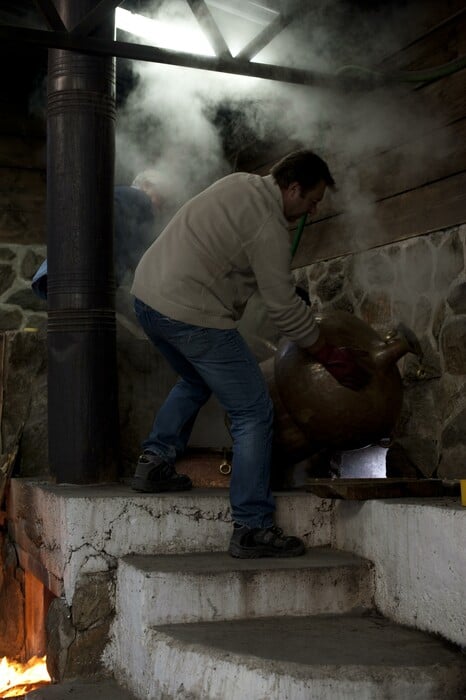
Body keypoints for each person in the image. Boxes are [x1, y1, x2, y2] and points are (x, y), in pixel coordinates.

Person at [130, 149, 369, 559]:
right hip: (192, 311)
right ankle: (253, 527)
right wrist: (326, 352)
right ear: (292, 188)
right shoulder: (270, 225)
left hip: (149, 298)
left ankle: (154, 461)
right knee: (254, 411)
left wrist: (277, 288)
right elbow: (281, 307)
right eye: (311, 202)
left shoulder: (239, 183)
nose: (310, 213)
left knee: (195, 378)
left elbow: (232, 257)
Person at [31, 170, 163, 299]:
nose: (161, 207)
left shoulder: (115, 196)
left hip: (56, 272)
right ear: (146, 185)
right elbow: (138, 254)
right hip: (87, 274)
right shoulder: (141, 199)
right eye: (161, 197)